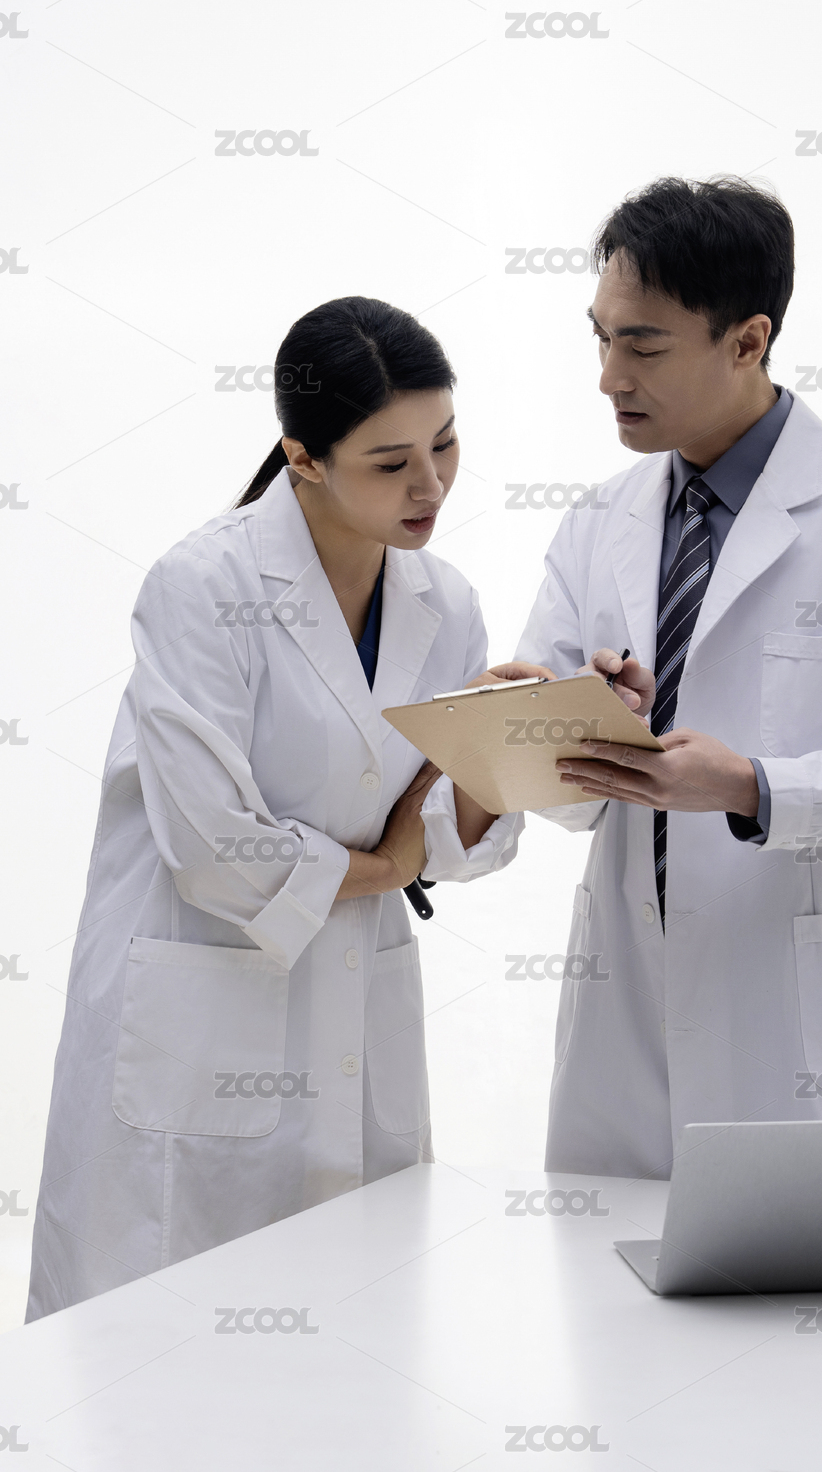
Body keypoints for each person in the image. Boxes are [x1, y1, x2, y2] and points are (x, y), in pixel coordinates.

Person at [27, 296, 547, 1318]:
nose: (431, 484)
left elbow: (447, 837)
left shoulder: (445, 602)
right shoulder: (200, 586)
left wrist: (505, 746)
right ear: (302, 458)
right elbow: (215, 851)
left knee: (355, 1340)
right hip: (197, 1018)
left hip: (357, 1008)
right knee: (167, 1345)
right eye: (391, 462)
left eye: (444, 444)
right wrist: (385, 866)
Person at [516, 177, 822, 1181]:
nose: (608, 377)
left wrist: (753, 788)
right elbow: (559, 800)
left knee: (818, 1275)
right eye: (600, 338)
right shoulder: (598, 520)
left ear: (748, 341)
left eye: (643, 346)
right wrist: (553, 721)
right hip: (636, 999)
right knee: (611, 1273)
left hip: (818, 1027)